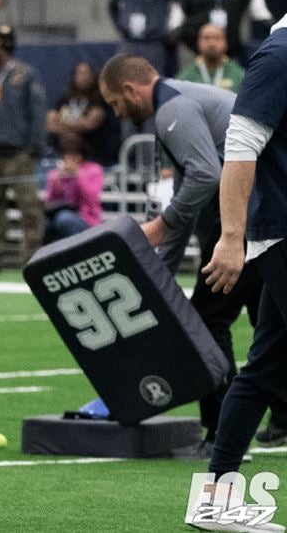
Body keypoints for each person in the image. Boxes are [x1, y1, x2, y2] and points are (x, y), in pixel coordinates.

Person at [98, 53, 286, 458]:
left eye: (116, 104)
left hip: (243, 218)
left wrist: (162, 226)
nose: (118, 113)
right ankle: (283, 418)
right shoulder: (182, 100)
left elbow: (205, 175)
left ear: (130, 90)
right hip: (259, 213)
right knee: (267, 324)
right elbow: (191, 194)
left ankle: (219, 429)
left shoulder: (173, 110)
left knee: (207, 320)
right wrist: (160, 270)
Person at [184, 14, 287, 532]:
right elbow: (240, 145)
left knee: (264, 368)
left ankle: (215, 499)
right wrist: (230, 236)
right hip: (283, 232)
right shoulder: (279, 56)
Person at [0, 25, 45, 272]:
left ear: (3, 45)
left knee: (29, 210)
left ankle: (32, 260)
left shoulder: (25, 75)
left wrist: (33, 148)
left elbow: (37, 113)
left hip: (18, 153)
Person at [45, 62, 116, 167]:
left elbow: (89, 124)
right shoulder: (63, 100)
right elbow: (49, 125)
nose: (82, 77)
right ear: (74, 77)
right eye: (79, 73)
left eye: (86, 74)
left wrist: (61, 124)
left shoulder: (99, 101)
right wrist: (77, 126)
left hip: (92, 156)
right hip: (61, 155)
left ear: (92, 76)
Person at [42, 133, 103, 244]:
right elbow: (49, 202)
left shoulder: (94, 170)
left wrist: (77, 175)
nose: (70, 159)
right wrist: (56, 183)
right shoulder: (55, 173)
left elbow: (91, 198)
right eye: (67, 155)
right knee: (44, 223)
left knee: (64, 219)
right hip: (60, 213)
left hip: (87, 218)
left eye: (75, 155)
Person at [177, 23, 245, 93]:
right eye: (206, 38)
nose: (211, 43)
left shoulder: (239, 75)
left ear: (225, 43)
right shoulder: (186, 76)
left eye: (217, 38)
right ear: (198, 43)